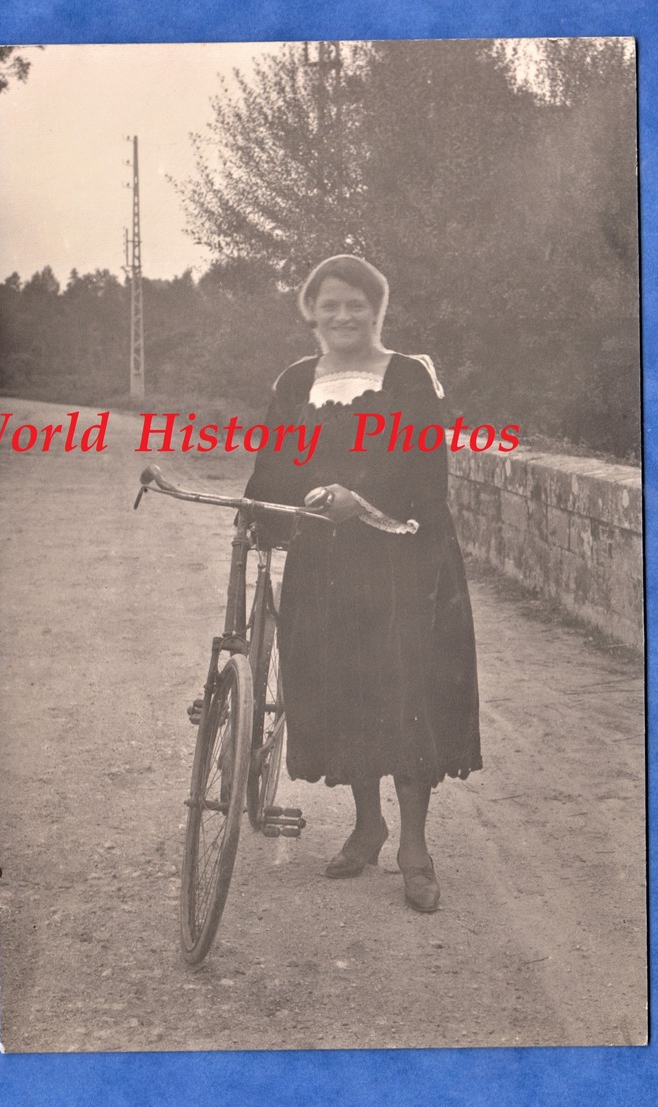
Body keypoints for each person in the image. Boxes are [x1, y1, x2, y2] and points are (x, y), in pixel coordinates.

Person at [245, 255, 481, 912]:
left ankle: (414, 847)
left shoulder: (409, 376)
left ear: (376, 309)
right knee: (346, 690)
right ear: (311, 313)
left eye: (356, 304)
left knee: (402, 692)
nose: (344, 316)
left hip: (404, 560)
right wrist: (258, 515)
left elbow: (423, 469)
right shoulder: (295, 381)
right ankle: (366, 824)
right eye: (330, 305)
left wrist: (363, 498)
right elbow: (274, 466)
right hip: (324, 564)